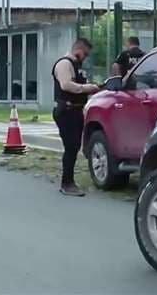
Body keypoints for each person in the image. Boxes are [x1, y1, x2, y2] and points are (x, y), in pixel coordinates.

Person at [51, 38, 101, 197]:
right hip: (66, 111)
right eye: (84, 54)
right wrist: (88, 88)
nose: (85, 57)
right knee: (71, 147)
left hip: (75, 111)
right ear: (77, 50)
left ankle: (69, 181)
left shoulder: (76, 66)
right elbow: (66, 85)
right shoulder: (64, 64)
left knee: (73, 147)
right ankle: (67, 183)